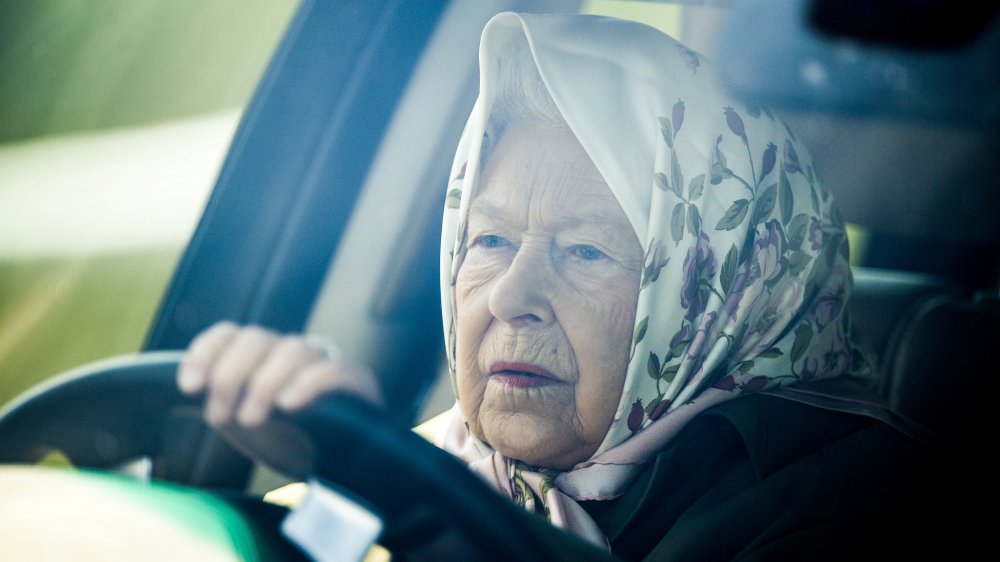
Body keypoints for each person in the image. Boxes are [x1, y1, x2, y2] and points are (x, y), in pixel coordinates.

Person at [178, 12, 957, 560]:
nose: (510, 296)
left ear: (716, 291)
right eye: (488, 240)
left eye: (585, 251)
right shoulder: (442, 454)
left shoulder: (870, 503)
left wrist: (401, 501)